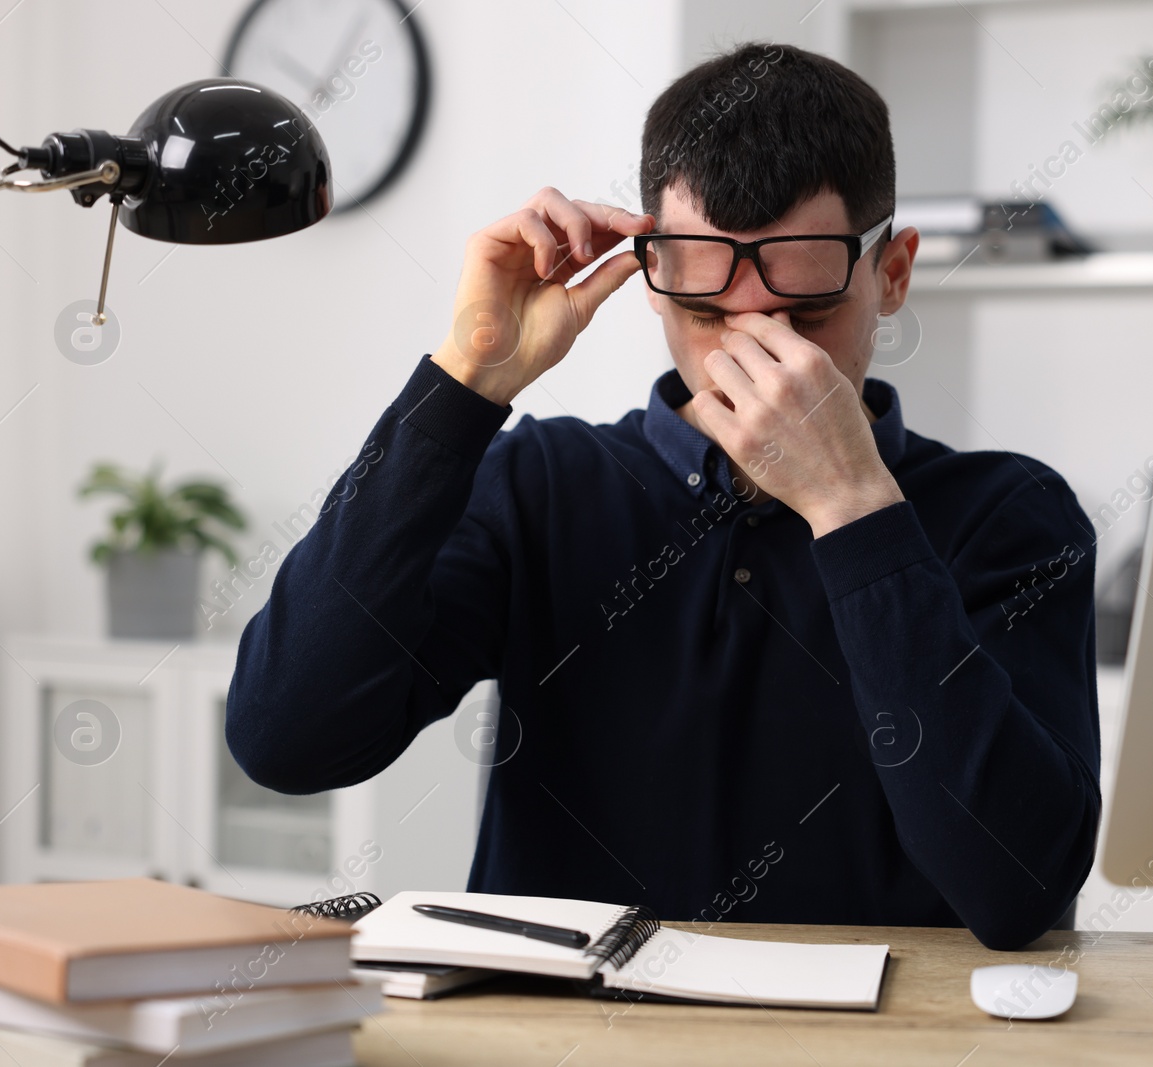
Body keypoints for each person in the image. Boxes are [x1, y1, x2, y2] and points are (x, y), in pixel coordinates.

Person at [227, 42, 1100, 950]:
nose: (754, 362)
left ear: (894, 273)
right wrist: (463, 382)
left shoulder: (1008, 515)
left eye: (802, 318)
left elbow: (1018, 890)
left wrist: (852, 509)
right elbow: (286, 739)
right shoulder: (542, 487)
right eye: (708, 314)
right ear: (655, 276)